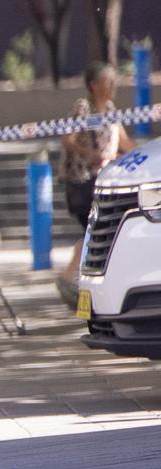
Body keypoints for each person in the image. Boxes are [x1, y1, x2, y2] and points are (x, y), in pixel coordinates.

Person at [56, 61, 134, 307]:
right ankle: (70, 277)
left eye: (114, 81)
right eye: (107, 81)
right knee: (94, 231)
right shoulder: (84, 108)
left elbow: (125, 143)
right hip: (83, 183)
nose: (112, 86)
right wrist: (89, 154)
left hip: (106, 184)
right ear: (93, 85)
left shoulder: (110, 110)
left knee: (98, 233)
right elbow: (68, 139)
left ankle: (79, 284)